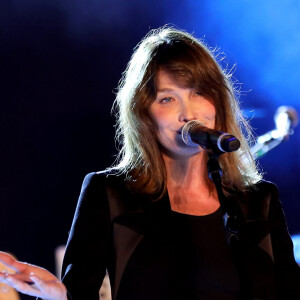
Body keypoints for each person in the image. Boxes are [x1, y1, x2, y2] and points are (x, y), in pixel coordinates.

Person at [1, 26, 300, 300]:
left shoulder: (259, 201)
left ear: (217, 104)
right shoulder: (110, 193)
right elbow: (80, 293)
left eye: (198, 93)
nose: (188, 113)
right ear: (144, 116)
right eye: (168, 99)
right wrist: (60, 298)